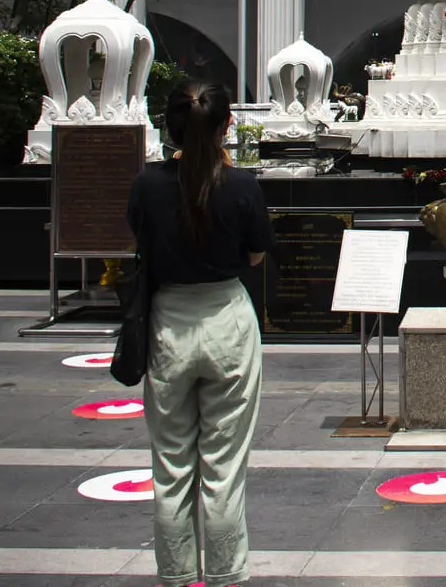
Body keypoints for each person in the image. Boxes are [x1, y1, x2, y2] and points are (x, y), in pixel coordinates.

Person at [127, 82, 273, 587]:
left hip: (170, 321)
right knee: (224, 468)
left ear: (169, 128)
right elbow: (255, 255)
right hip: (226, 318)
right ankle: (227, 575)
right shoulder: (242, 185)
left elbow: (139, 240)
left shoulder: (147, 185)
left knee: (171, 468)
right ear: (227, 126)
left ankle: (176, 576)